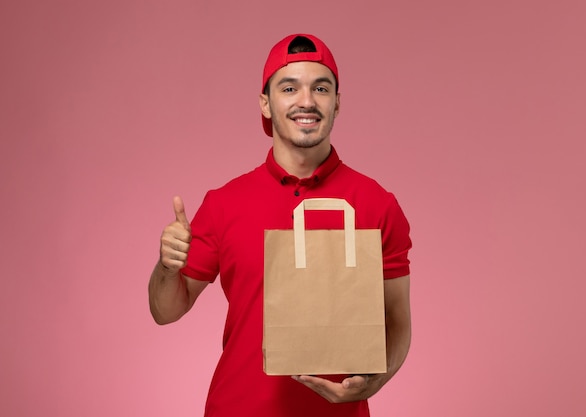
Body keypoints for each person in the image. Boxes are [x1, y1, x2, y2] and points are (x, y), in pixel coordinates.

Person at [149, 33, 412, 417]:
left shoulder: (377, 205)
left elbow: (397, 320)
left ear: (337, 103)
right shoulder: (225, 204)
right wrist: (166, 267)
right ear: (266, 103)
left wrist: (377, 379)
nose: (306, 101)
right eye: (289, 88)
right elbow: (166, 311)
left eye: (321, 88)